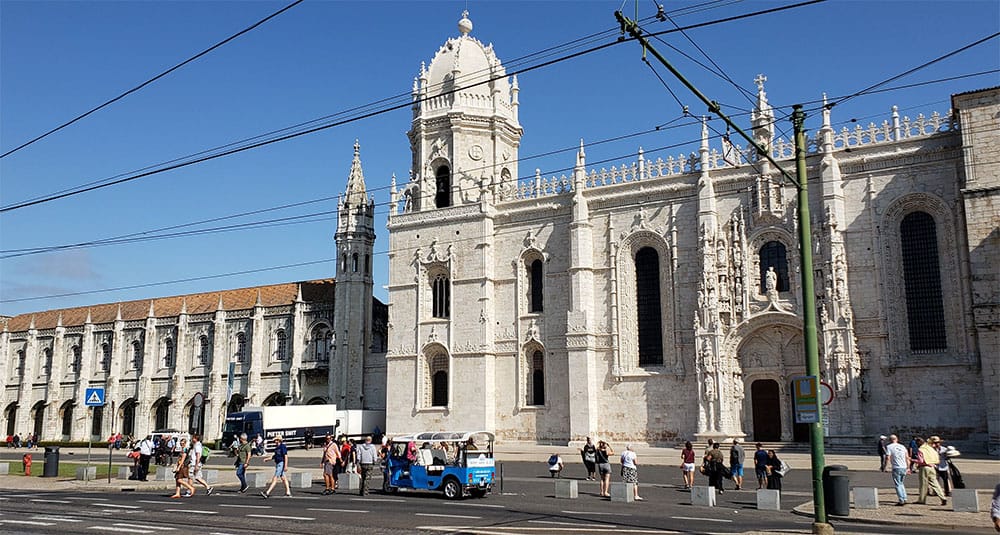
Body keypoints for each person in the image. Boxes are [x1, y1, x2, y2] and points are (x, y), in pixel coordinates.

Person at [916, 435, 946, 505]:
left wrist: (912, 460)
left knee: (923, 484)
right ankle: (942, 497)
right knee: (935, 483)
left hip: (924, 467)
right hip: (932, 467)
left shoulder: (921, 449)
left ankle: (922, 500)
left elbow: (921, 461)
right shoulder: (931, 449)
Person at [884, 434, 910, 506]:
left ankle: (901, 500)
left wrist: (886, 466)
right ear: (897, 439)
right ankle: (905, 498)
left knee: (898, 484)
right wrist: (908, 467)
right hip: (904, 466)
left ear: (890, 440)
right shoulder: (902, 446)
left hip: (896, 467)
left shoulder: (889, 447)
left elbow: (888, 457)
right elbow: (907, 457)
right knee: (901, 483)